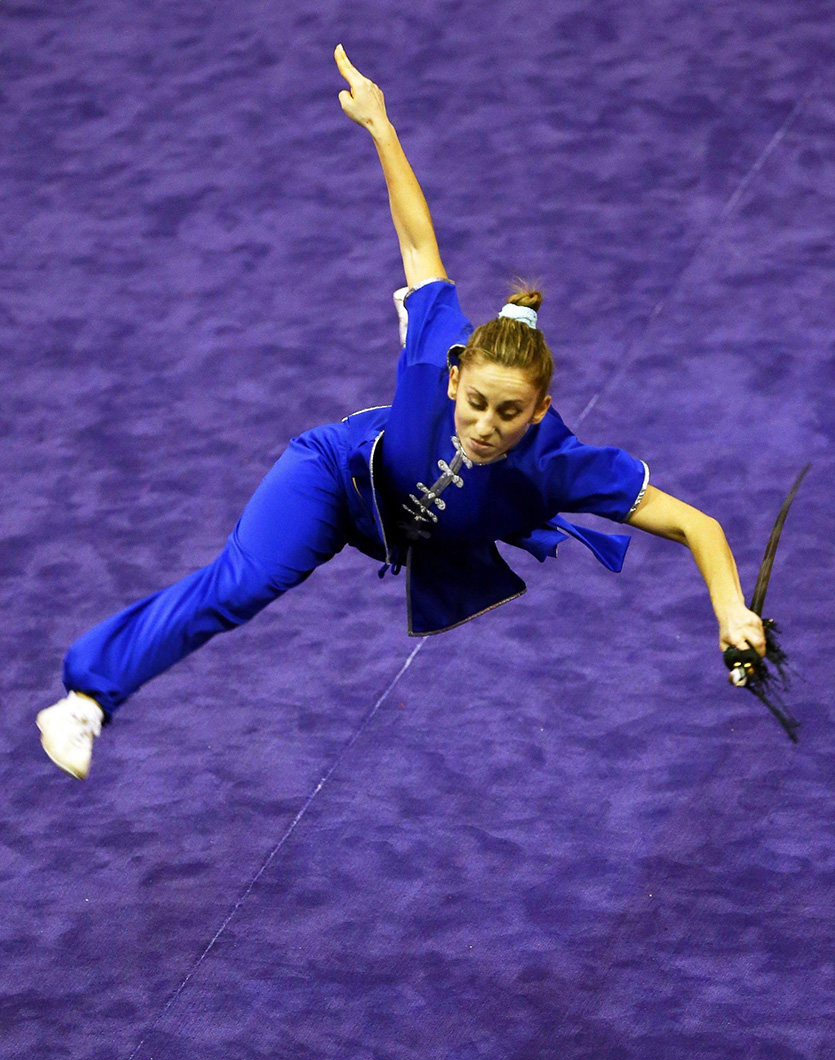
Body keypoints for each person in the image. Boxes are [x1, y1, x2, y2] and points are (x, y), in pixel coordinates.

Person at [36, 45, 766, 779]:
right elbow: (418, 240)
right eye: (475, 402)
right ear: (452, 380)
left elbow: (694, 524)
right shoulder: (435, 351)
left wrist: (730, 610)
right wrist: (380, 126)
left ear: (540, 410)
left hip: (409, 530)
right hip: (335, 479)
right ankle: (87, 697)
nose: (485, 425)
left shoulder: (559, 466)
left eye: (509, 412)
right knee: (242, 586)